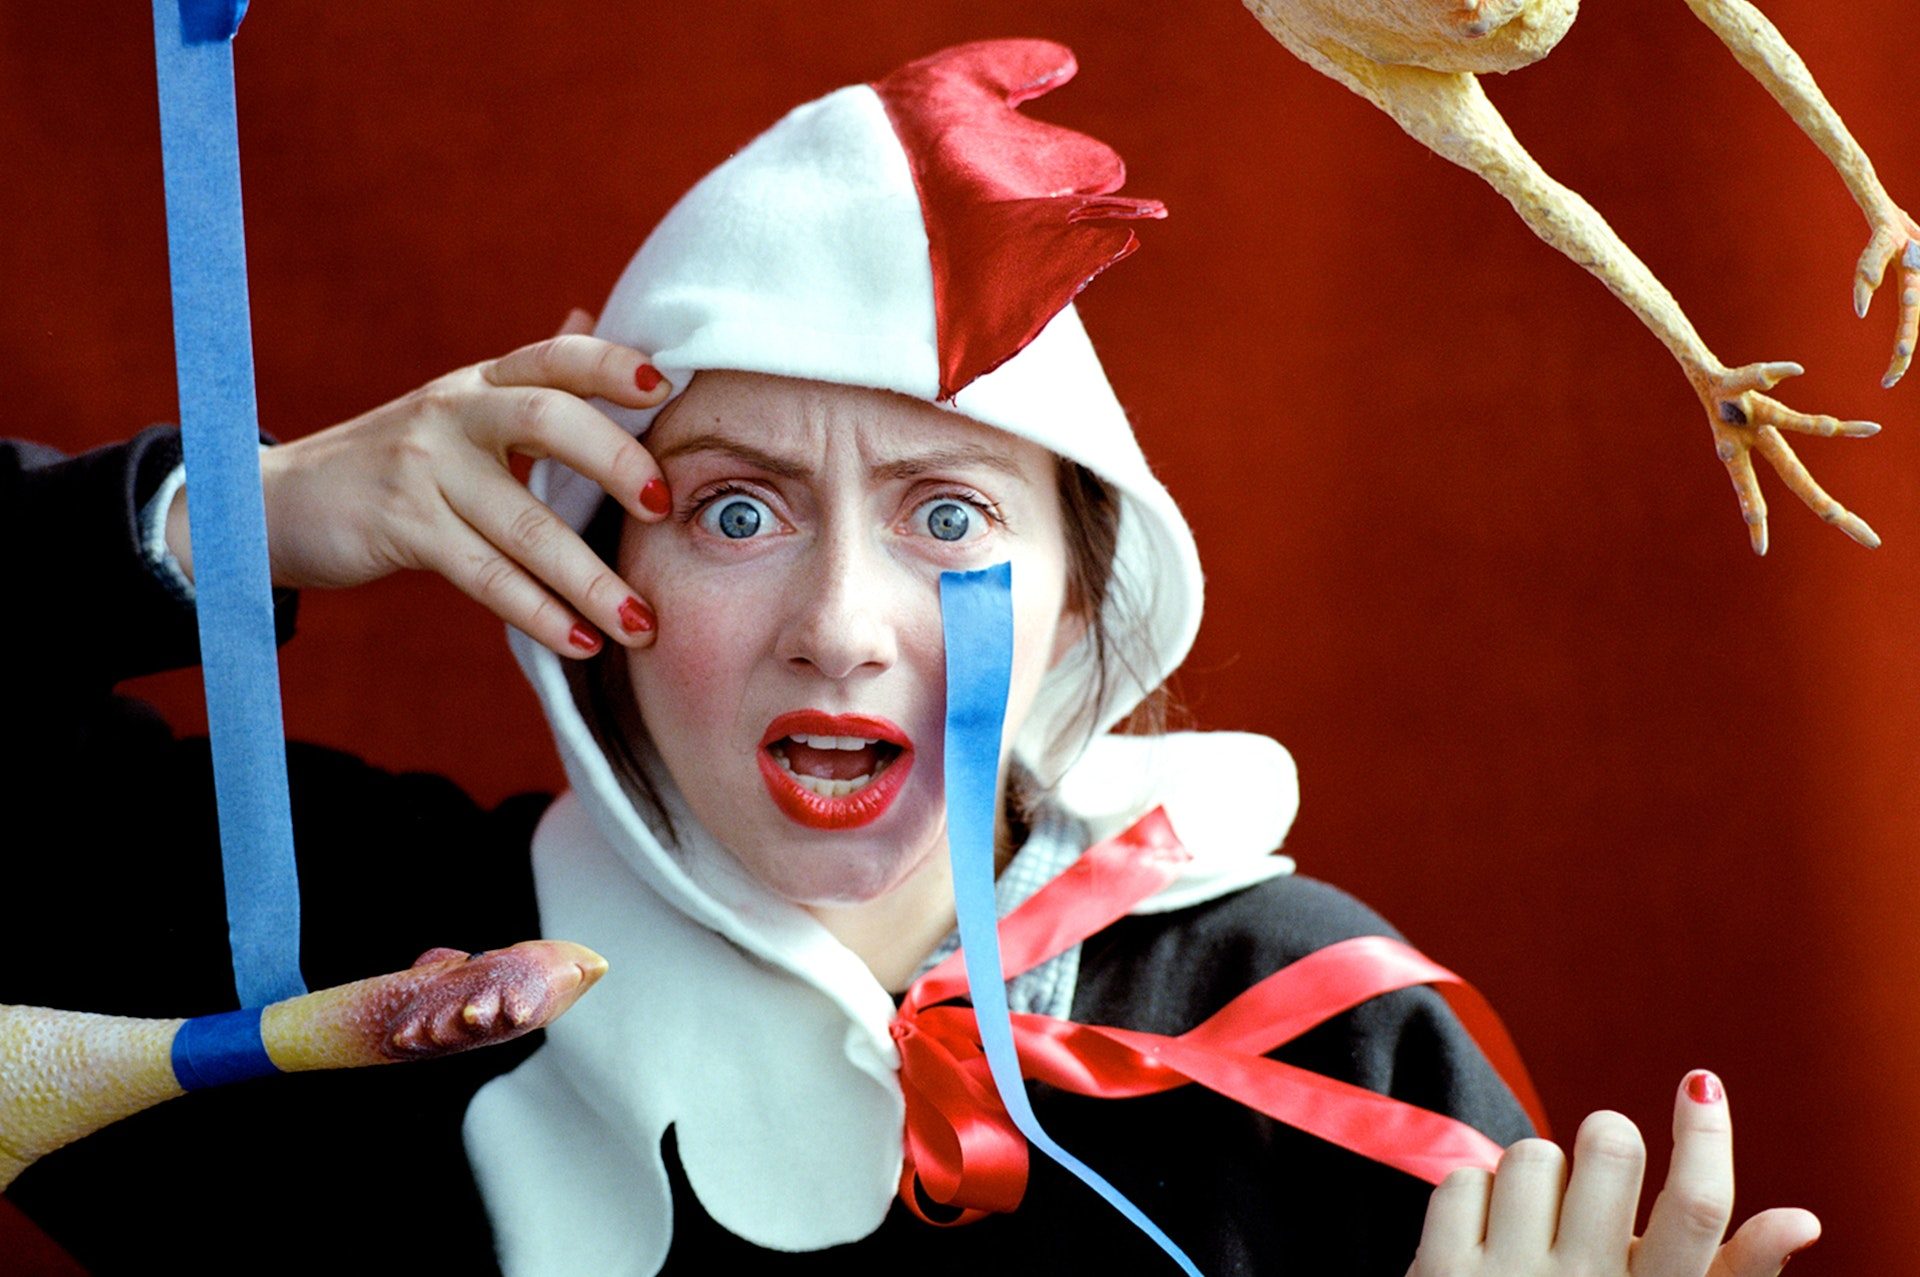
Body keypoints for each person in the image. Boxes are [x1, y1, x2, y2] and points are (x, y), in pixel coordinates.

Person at [3, 39, 1815, 1277]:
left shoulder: (1333, 1046)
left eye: (951, 517)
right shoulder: (333, 969)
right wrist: (227, 519)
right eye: (734, 512)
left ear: (1089, 606)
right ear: (575, 568)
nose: (843, 624)